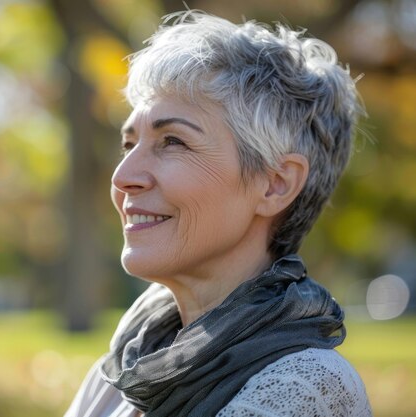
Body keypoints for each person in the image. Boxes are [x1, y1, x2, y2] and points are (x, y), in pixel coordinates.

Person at [65, 10, 371, 417]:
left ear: (275, 184)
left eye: (172, 141)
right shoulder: (127, 366)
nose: (123, 177)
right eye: (129, 144)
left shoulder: (306, 386)